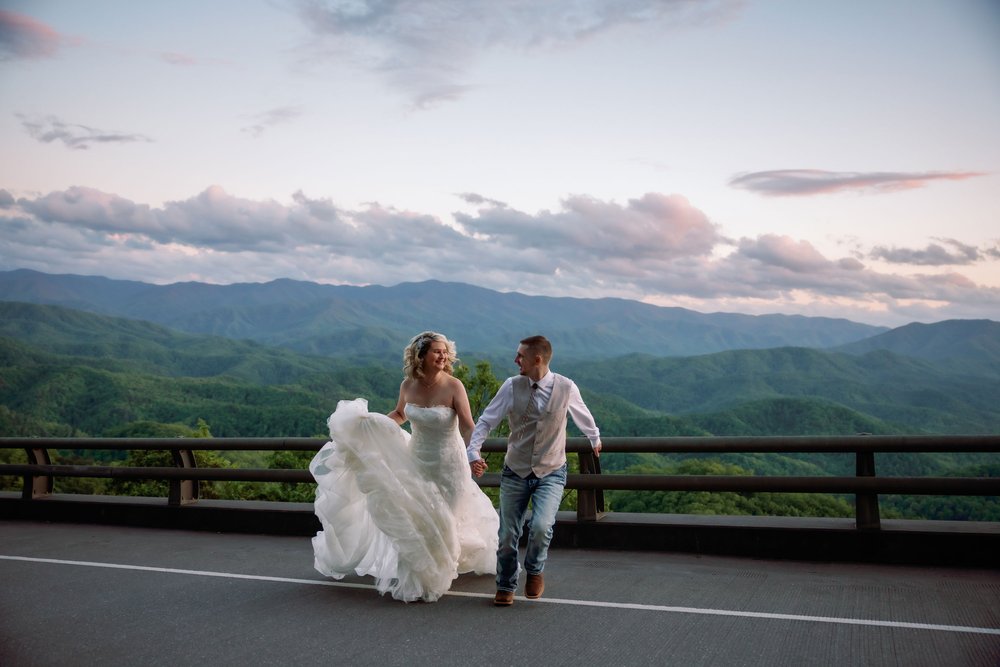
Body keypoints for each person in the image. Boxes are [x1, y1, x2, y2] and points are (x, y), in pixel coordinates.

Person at [310, 331, 499, 602]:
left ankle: (439, 570)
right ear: (420, 356)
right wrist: (372, 427)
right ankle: (424, 573)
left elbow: (468, 425)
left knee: (444, 516)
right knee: (419, 517)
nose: (443, 356)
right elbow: (399, 414)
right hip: (417, 459)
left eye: (445, 351)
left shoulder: (454, 385)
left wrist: (473, 455)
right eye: (437, 351)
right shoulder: (408, 385)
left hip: (450, 463)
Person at [467, 335, 601, 606]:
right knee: (507, 534)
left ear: (537, 359)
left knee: (541, 526)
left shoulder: (566, 387)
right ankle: (505, 584)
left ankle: (535, 571)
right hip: (515, 469)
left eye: (520, 356)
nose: (516, 360)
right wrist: (473, 451)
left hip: (551, 470)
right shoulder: (511, 386)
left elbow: (582, 413)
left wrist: (594, 437)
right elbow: (486, 420)